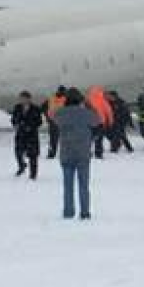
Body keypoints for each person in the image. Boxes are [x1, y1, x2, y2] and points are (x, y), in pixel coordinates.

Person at [54, 88, 100, 220]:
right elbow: (97, 120)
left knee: (68, 186)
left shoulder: (61, 113)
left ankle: (68, 211)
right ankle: (84, 212)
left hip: (66, 152)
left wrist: (63, 107)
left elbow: (54, 119)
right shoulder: (85, 113)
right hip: (83, 153)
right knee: (83, 185)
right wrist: (89, 105)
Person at [10, 90, 43, 179]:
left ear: (29, 99)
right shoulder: (17, 107)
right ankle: (22, 166)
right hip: (20, 134)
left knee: (33, 155)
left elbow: (39, 122)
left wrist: (31, 126)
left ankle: (33, 174)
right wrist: (16, 124)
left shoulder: (35, 108)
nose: (22, 100)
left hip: (32, 135)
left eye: (24, 98)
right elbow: (13, 119)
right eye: (21, 98)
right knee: (18, 152)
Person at [85, 86, 114, 159]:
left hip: (89, 122)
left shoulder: (88, 99)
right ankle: (98, 153)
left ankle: (87, 152)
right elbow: (109, 112)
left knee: (88, 139)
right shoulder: (103, 100)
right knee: (99, 139)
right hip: (100, 122)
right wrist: (110, 122)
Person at [44, 86, 67, 159]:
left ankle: (52, 153)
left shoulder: (51, 98)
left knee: (54, 139)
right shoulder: (65, 99)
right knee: (62, 138)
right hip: (59, 121)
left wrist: (47, 116)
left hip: (54, 121)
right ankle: (56, 153)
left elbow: (43, 107)